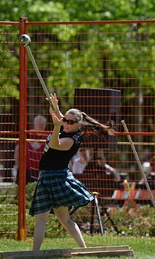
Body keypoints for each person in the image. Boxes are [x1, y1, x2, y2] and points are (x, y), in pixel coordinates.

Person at [29, 93, 114, 250]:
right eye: (65, 120)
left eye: (70, 122)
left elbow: (55, 145)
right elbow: (61, 118)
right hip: (49, 176)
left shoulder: (72, 139)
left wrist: (56, 127)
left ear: (78, 124)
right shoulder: (67, 126)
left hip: (55, 178)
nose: (65, 123)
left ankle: (36, 253)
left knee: (46, 218)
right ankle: (83, 249)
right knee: (62, 219)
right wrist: (55, 106)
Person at [14, 115, 47, 184]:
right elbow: (17, 149)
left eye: (42, 123)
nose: (40, 125)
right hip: (25, 169)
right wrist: (18, 166)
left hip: (41, 171)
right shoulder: (27, 134)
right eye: (38, 123)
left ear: (45, 124)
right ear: (34, 123)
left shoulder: (48, 136)